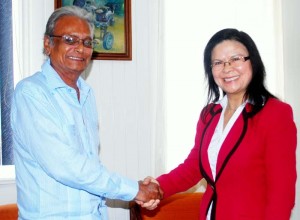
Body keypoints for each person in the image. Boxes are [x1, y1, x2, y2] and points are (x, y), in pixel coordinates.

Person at [11, 6, 161, 220]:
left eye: (87, 42)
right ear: (48, 44)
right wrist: (134, 190)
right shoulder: (32, 93)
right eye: (70, 40)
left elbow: (90, 164)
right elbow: (66, 165)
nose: (80, 48)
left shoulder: (86, 93)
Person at [141, 28, 297, 220]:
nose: (227, 67)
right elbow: (193, 167)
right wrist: (157, 186)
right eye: (218, 62)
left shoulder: (275, 113)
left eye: (236, 58)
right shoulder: (209, 114)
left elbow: (282, 192)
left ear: (253, 62)